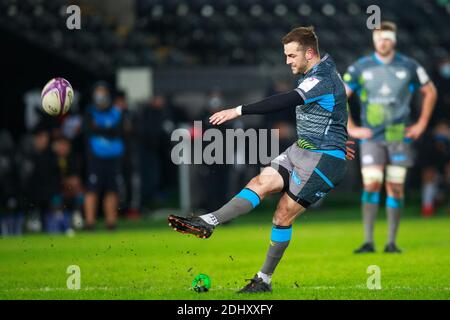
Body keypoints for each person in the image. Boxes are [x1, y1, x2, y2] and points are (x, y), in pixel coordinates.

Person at [168, 26, 355, 293]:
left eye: (291, 56)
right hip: (301, 149)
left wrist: (238, 110)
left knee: (282, 216)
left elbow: (288, 100)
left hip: (323, 159)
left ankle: (263, 280)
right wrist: (339, 133)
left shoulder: (323, 77)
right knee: (261, 181)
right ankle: (208, 222)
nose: (287, 61)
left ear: (310, 53)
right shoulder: (316, 72)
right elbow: (333, 108)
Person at [343, 21, 437, 253]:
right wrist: (351, 126)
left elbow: (430, 92)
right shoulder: (361, 67)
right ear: (373, 40)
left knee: (395, 188)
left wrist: (422, 124)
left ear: (393, 40)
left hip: (398, 136)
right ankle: (368, 241)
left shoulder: (409, 66)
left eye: (387, 38)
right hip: (372, 136)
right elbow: (339, 95)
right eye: (378, 38)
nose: (383, 42)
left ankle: (391, 242)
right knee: (372, 183)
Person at [83, 82, 125, 230]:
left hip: (114, 157)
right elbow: (88, 130)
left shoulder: (116, 112)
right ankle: (89, 223)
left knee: (112, 189)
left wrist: (99, 129)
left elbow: (118, 132)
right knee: (92, 189)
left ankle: (111, 223)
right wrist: (107, 130)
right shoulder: (89, 112)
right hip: (96, 156)